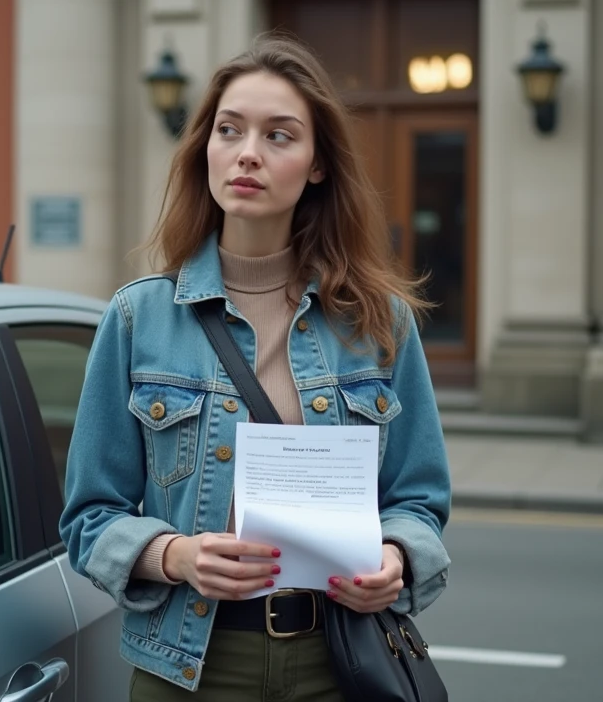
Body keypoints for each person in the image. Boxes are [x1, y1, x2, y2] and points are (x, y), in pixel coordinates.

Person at [59, 34, 451, 701]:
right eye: (229, 129)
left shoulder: (379, 320)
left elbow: (418, 498)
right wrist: (175, 555)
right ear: (206, 148)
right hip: (189, 665)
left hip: (339, 661)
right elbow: (89, 516)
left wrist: (395, 558)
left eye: (279, 135)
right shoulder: (137, 318)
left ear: (318, 164)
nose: (247, 153)